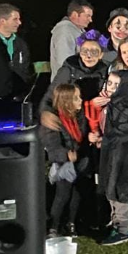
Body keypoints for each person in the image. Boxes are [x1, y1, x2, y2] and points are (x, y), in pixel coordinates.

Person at [40, 84, 92, 237]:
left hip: (79, 160)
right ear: (67, 101)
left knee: (77, 193)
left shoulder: (79, 115)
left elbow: (82, 135)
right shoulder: (53, 120)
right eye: (76, 98)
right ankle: (54, 226)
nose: (80, 101)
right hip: (63, 163)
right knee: (62, 194)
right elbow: (52, 145)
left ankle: (71, 223)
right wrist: (66, 155)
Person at [99, 71, 128, 246]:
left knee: (122, 188)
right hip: (114, 152)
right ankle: (115, 222)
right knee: (111, 186)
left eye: (116, 85)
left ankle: (123, 229)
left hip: (126, 154)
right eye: (109, 83)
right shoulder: (113, 104)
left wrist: (108, 136)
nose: (111, 88)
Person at [42, 30, 110, 115]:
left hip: (96, 117)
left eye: (94, 52)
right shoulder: (70, 68)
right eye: (84, 51)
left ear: (101, 55)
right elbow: (52, 94)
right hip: (71, 116)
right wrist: (46, 113)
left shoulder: (106, 70)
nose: (88, 56)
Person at [50, 0, 94, 80]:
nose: (90, 20)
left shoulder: (80, 31)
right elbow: (64, 61)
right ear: (75, 15)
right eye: (87, 16)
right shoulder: (65, 31)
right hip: (66, 87)